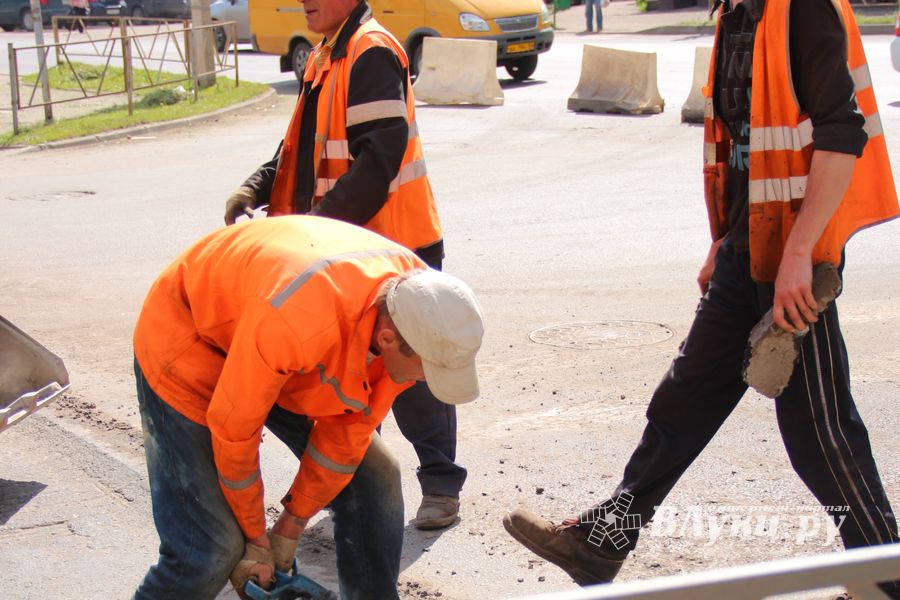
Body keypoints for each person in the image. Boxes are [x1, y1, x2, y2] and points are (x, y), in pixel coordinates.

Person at [503, 0, 900, 596]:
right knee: (683, 401)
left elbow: (843, 135)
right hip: (749, 246)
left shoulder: (802, 8)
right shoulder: (738, 15)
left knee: (820, 430)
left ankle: (885, 574)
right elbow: (748, 146)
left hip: (796, 254)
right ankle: (604, 543)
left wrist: (800, 253)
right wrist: (725, 240)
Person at [132, 216, 485, 599]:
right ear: (386, 339)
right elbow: (235, 435)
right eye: (426, 370)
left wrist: (289, 527)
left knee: (374, 475)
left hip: (285, 341)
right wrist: (255, 540)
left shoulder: (419, 307)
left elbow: (347, 437)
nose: (423, 381)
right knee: (211, 550)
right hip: (192, 335)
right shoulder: (297, 322)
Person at [222, 0, 465, 531]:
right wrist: (257, 186)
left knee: (411, 374)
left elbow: (379, 159)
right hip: (344, 254)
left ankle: (441, 485)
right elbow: (297, 148)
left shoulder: (370, 51)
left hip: (394, 248)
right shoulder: (325, 55)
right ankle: (363, 491)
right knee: (349, 376)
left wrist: (316, 238)